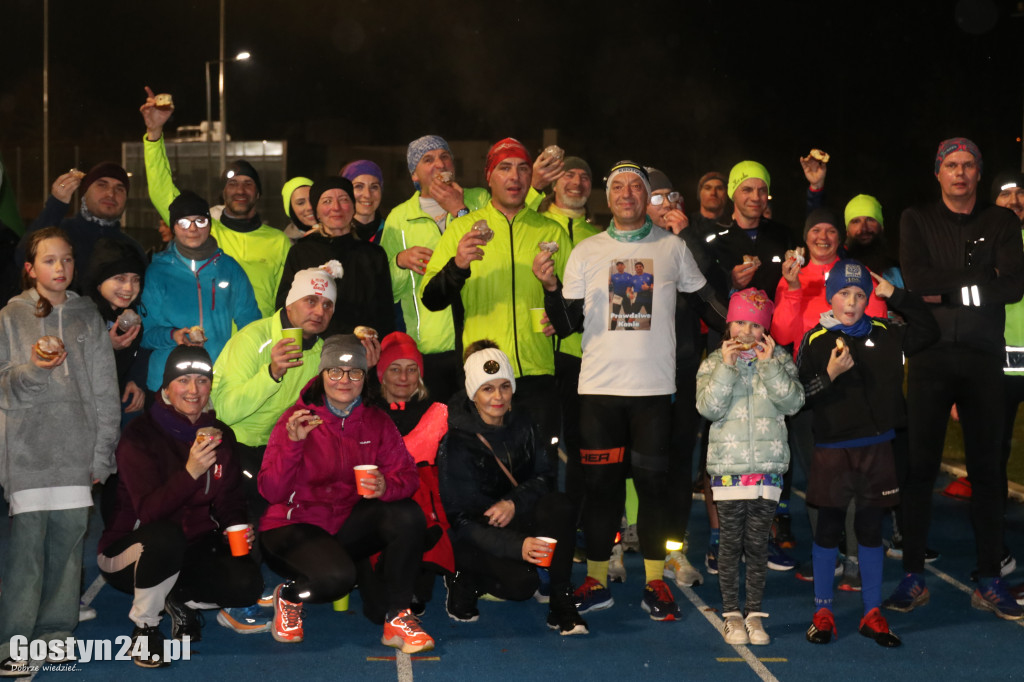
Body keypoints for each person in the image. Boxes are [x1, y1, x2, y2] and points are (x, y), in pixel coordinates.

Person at [537, 161, 726, 622]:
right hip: (599, 391)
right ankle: (598, 581)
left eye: (635, 188)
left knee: (654, 488)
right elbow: (566, 324)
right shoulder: (586, 250)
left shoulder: (673, 248)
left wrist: (743, 330)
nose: (626, 194)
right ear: (608, 198)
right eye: (617, 187)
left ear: (647, 198)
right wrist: (549, 286)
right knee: (600, 490)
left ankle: (656, 580)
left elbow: (708, 303)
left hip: (653, 392)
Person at [884, 138, 1024, 621]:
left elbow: (1012, 285)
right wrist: (975, 281)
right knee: (919, 469)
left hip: (985, 360)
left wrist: (951, 293)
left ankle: (989, 578)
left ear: (977, 174)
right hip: (929, 357)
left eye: (968, 166)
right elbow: (917, 279)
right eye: (951, 165)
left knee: (988, 473)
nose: (960, 173)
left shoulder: (1001, 222)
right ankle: (914, 575)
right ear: (938, 173)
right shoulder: (916, 218)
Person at [259, 335, 434, 653]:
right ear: (322, 374)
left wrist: (385, 486)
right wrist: (293, 444)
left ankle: (397, 617)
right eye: (335, 372)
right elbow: (271, 491)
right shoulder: (295, 419)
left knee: (407, 513)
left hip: (345, 524)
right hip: (292, 525)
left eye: (354, 372)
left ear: (364, 377)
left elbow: (407, 476)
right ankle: (289, 596)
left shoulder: (376, 421)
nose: (344, 380)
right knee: (335, 580)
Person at [798, 260, 939, 646]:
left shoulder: (886, 332)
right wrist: (830, 374)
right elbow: (797, 399)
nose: (852, 302)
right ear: (831, 297)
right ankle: (823, 611)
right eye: (844, 293)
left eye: (860, 295)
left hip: (876, 448)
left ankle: (871, 613)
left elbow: (929, 328)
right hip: (832, 449)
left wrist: (897, 296)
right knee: (828, 529)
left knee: (870, 532)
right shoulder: (814, 340)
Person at [98, 346, 265, 668]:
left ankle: (175, 597)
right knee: (165, 536)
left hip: (190, 547)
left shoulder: (221, 435)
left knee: (247, 584)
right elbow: (149, 512)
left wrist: (237, 529)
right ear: (165, 389)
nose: (193, 390)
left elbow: (230, 499)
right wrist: (190, 471)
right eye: (183, 380)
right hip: (131, 551)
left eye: (202, 380)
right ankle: (145, 627)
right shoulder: (140, 435)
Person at [0, 228, 119, 675]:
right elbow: (3, 387)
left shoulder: (89, 317)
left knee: (69, 553)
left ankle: (55, 635)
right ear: (30, 269)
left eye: (67, 260)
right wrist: (34, 367)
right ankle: (13, 644)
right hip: (27, 453)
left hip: (77, 454)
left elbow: (106, 392)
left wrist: (101, 455)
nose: (60, 268)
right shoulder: (9, 318)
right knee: (26, 556)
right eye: (49, 261)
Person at [421, 137, 571, 468]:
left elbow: (575, 314)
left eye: (522, 169)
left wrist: (552, 292)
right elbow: (431, 299)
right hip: (483, 376)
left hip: (538, 375)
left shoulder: (552, 231)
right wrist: (457, 265)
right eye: (504, 168)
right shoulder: (462, 229)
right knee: (487, 476)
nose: (514, 177)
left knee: (540, 473)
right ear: (489, 177)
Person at [438, 340, 588, 635]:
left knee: (560, 505)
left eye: (504, 386)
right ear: (473, 393)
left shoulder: (525, 421)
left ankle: (561, 602)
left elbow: (546, 477)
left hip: (516, 515)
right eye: (488, 388)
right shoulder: (456, 442)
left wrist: (514, 503)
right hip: (477, 532)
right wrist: (516, 546)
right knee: (521, 585)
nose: (498, 397)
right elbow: (460, 519)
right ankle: (464, 578)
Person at [696, 288, 804, 645]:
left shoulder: (780, 359)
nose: (746, 332)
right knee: (729, 546)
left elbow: (793, 402)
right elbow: (708, 408)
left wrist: (772, 366)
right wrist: (727, 368)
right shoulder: (714, 362)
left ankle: (754, 615)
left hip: (768, 471)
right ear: (728, 325)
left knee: (757, 546)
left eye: (755, 326)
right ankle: (731, 615)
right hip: (728, 470)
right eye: (739, 322)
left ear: (765, 331)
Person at [141, 87, 291, 318]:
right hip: (208, 343)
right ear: (223, 193)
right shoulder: (204, 232)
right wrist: (154, 135)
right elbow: (162, 192)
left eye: (248, 183)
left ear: (258, 194)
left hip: (257, 345)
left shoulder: (279, 242)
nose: (240, 189)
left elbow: (287, 302)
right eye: (232, 184)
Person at [212, 261, 342, 517]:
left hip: (282, 449)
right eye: (311, 301)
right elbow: (223, 412)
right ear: (290, 304)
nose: (319, 311)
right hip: (236, 446)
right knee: (262, 509)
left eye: (328, 305)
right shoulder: (253, 339)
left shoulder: (321, 352)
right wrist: (271, 374)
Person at [380, 135, 490, 402]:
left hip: (481, 338)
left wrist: (459, 210)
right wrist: (399, 261)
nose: (439, 164)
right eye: (428, 159)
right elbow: (387, 291)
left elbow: (495, 253)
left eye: (444, 156)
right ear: (414, 176)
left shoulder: (479, 200)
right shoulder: (399, 217)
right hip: (429, 345)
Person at [534, 157, 601, 539]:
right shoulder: (537, 224)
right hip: (541, 354)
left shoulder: (599, 235)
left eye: (584, 175)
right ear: (553, 186)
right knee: (541, 447)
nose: (576, 181)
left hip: (585, 356)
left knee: (581, 449)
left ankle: (575, 528)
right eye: (568, 175)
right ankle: (540, 526)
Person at [139, 191, 261, 394]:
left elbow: (251, 325)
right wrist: (173, 335)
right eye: (184, 223)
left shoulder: (229, 268)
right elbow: (145, 333)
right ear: (174, 228)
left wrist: (244, 365)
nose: (193, 228)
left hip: (217, 380)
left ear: (209, 224)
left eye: (200, 221)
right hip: (167, 383)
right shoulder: (157, 271)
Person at [376, 331, 455, 613]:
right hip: (380, 505)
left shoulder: (439, 412)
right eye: (395, 369)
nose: (404, 377)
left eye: (411, 370)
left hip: (428, 512)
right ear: (382, 374)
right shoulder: (369, 414)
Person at [274, 177, 394, 338]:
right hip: (314, 349)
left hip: (361, 351)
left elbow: (385, 315)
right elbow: (285, 306)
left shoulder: (373, 254)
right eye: (327, 201)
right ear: (316, 211)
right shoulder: (301, 252)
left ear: (353, 207)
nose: (336, 208)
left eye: (343, 200)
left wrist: (378, 349)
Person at [19, 163, 147, 293]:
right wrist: (56, 205)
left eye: (120, 189)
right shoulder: (60, 234)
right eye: (102, 185)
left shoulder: (132, 249)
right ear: (84, 193)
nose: (111, 194)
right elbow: (22, 258)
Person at [705, 161, 798, 296]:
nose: (755, 197)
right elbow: (700, 290)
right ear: (733, 193)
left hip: (776, 316)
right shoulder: (712, 238)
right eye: (747, 190)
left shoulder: (783, 235)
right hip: (729, 316)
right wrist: (730, 282)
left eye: (762, 190)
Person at [87, 238, 149, 421]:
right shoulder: (83, 314)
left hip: (116, 399)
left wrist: (135, 380)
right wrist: (107, 346)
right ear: (99, 282)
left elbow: (142, 350)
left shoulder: (132, 314)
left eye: (135, 280)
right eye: (119, 278)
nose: (129, 288)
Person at [341, 160, 385, 243]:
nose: (367, 195)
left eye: (374, 187)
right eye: (359, 186)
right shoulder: (333, 234)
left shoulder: (393, 231)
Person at [690, 171, 731, 239]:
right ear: (699, 193)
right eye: (707, 188)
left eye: (719, 188)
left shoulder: (733, 225)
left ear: (727, 193)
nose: (713, 193)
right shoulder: (687, 224)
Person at [281, 176, 316, 243]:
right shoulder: (285, 243)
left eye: (313, 199)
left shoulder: (338, 233)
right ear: (290, 209)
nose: (310, 207)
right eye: (300, 203)